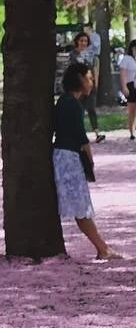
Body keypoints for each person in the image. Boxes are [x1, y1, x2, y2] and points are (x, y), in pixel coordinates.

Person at [53, 62, 117, 260]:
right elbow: (81, 137)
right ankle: (103, 249)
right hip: (68, 158)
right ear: (80, 79)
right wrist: (90, 160)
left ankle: (102, 247)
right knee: (81, 207)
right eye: (89, 78)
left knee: (81, 206)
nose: (92, 83)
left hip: (67, 157)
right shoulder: (71, 103)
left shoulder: (68, 102)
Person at [70, 32, 105, 141]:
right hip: (78, 87)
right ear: (77, 42)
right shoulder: (73, 55)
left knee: (91, 109)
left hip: (90, 86)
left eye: (85, 41)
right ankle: (79, 134)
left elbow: (93, 69)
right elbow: (74, 70)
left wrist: (94, 84)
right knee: (79, 110)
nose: (83, 43)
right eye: (81, 41)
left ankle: (97, 133)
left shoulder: (90, 55)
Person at [118, 40, 136, 140]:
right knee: (132, 109)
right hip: (131, 85)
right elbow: (123, 73)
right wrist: (124, 86)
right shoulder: (126, 59)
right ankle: (131, 132)